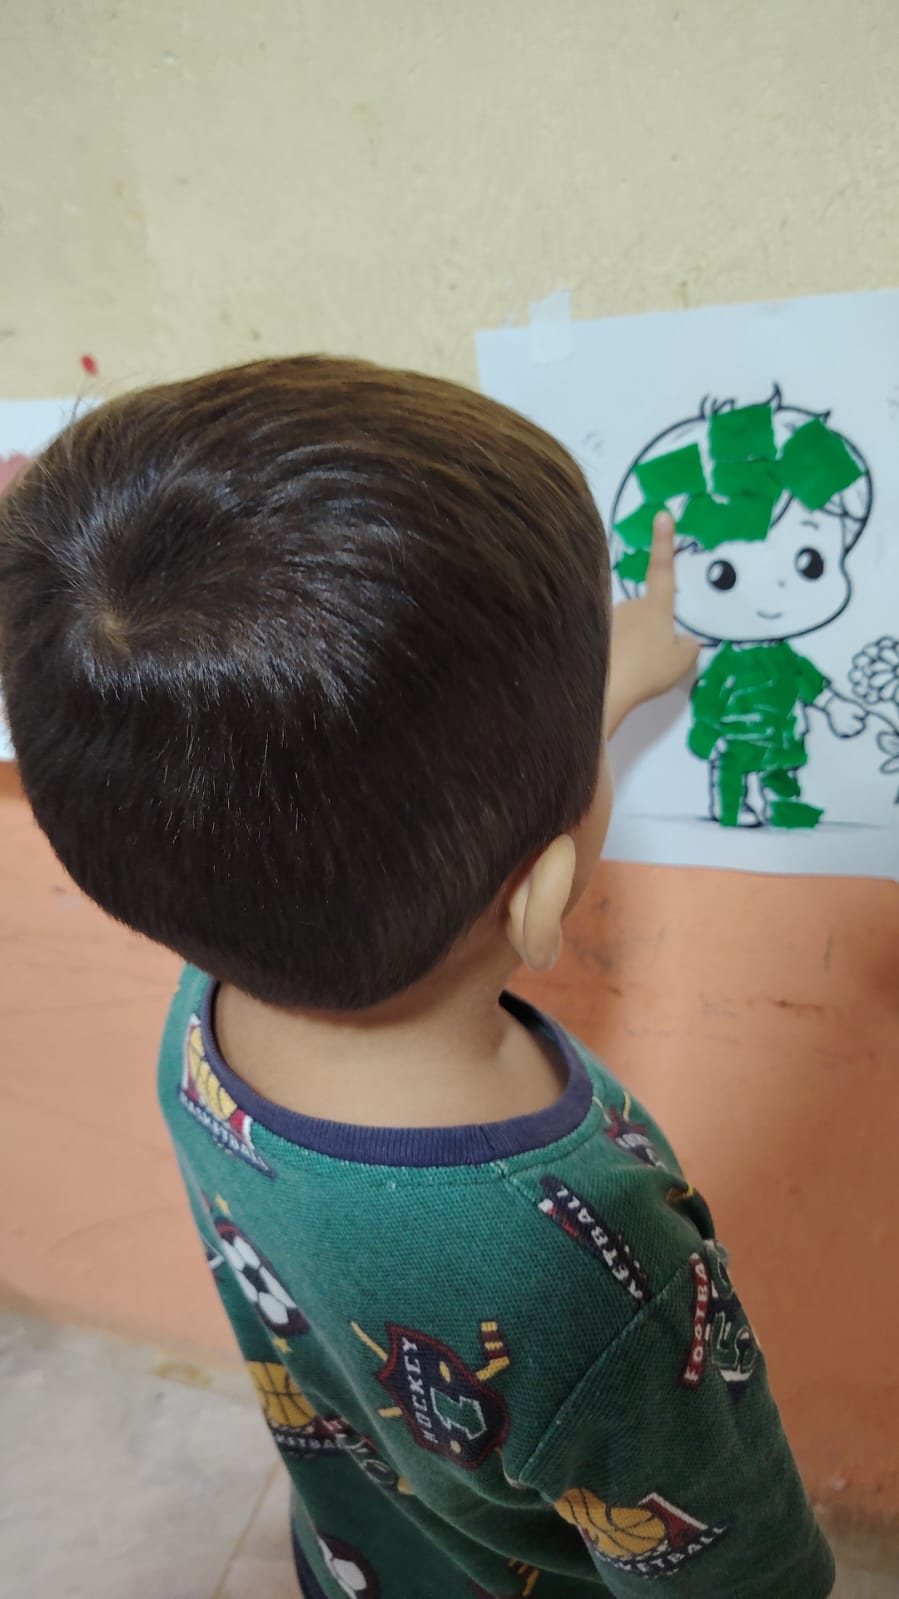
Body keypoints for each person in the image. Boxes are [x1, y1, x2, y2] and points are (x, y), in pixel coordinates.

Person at [0, 359, 835, 1598]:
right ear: (543, 898)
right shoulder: (592, 1276)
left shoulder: (211, 1004)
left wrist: (590, 689)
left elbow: (325, 790)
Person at [610, 391, 872, 828]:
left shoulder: (785, 660)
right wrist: (705, 735)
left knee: (782, 774)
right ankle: (731, 809)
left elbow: (810, 683)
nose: (775, 591)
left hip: (783, 737)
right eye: (722, 575)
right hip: (735, 741)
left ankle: (784, 808)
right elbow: (709, 697)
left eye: (810, 562)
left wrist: (835, 706)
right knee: (731, 774)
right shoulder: (723, 664)